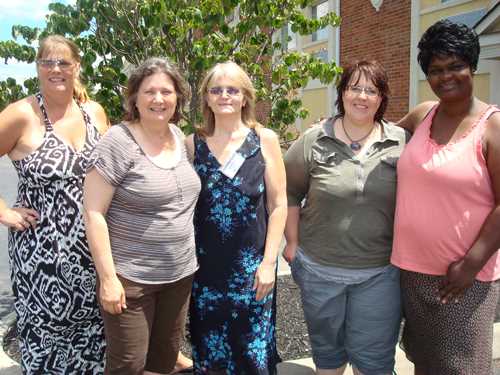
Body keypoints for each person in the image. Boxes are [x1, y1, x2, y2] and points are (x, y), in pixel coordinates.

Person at [284, 60, 408, 375]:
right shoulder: (314, 138)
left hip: (379, 273)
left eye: (372, 90)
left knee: (375, 362)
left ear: (382, 98)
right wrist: (293, 243)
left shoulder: (400, 141)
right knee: (328, 357)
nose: (362, 96)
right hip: (319, 270)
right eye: (355, 88)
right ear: (342, 92)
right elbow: (287, 190)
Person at [391, 20, 500, 375]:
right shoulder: (422, 115)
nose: (446, 76)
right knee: (426, 362)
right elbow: (376, 136)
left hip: (463, 277)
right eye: (436, 70)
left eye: (455, 66)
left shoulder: (492, 126)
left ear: (472, 66)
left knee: (461, 367)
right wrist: (331, 128)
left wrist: (470, 265)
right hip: (412, 271)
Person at [83, 57, 201, 375]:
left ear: (178, 98)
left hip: (179, 275)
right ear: (134, 97)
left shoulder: (179, 136)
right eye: (149, 91)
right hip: (132, 280)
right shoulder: (118, 142)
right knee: (129, 364)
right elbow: (93, 212)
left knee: (163, 360)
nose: (158, 99)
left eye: (167, 91)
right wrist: (108, 279)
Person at [0, 35, 108, 373]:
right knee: (49, 346)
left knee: (96, 339)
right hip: (42, 260)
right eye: (47, 62)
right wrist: (3, 211)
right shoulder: (21, 114)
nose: (55, 69)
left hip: (94, 252)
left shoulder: (94, 112)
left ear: (77, 66)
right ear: (37, 67)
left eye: (63, 62)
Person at [186, 61, 286, 374]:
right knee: (210, 354)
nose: (224, 95)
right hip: (205, 273)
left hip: (252, 273)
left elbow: (279, 204)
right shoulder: (193, 144)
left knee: (251, 356)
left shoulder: (264, 139)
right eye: (216, 90)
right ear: (206, 98)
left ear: (245, 97)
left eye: (233, 90)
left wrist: (269, 263)